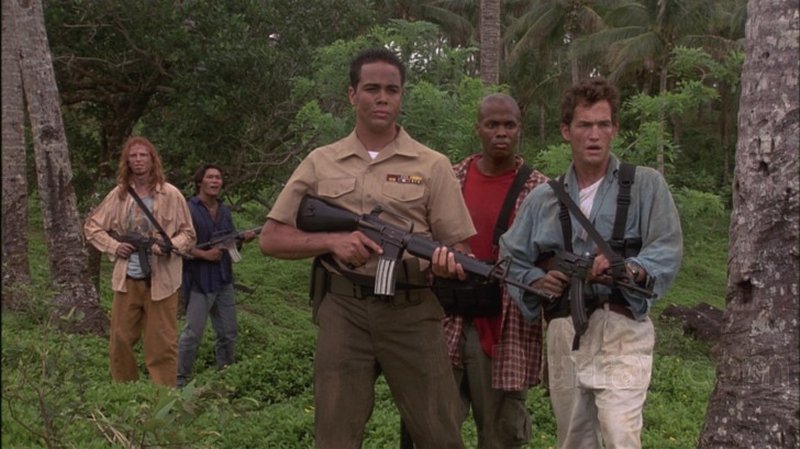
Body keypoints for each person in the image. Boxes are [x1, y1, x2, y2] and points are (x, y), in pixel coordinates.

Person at [259, 47, 475, 449]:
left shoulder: (432, 165)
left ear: (402, 96)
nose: (382, 98)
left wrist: (448, 263)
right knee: (335, 435)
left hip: (412, 309)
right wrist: (331, 241)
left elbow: (457, 245)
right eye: (372, 88)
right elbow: (271, 238)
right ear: (352, 94)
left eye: (392, 90)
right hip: (344, 309)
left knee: (440, 433)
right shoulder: (321, 162)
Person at [499, 78, 683, 448]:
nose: (594, 135)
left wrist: (629, 269)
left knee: (619, 434)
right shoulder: (543, 198)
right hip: (564, 329)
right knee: (574, 438)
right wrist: (537, 281)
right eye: (584, 125)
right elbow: (509, 257)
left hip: (622, 327)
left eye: (603, 124)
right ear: (566, 131)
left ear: (615, 128)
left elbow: (666, 246)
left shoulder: (646, 185)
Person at [401, 93, 550, 449]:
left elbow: (548, 255)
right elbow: (420, 238)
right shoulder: (450, 178)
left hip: (505, 325)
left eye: (509, 125)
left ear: (520, 129)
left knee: (500, 434)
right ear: (478, 128)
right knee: (431, 427)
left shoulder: (540, 190)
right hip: (446, 318)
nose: (501, 132)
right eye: (492, 124)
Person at [85, 136, 196, 387]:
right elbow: (92, 226)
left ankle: (163, 398)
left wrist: (168, 246)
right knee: (119, 341)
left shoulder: (171, 194)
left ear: (152, 159)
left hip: (162, 282)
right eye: (133, 156)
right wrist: (114, 246)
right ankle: (125, 393)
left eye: (143, 155)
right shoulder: (119, 195)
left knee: (162, 345)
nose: (138, 160)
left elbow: (188, 234)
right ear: (127, 162)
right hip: (127, 279)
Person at [176, 164, 257, 388]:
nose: (215, 181)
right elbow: (178, 244)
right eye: (210, 177)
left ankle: (225, 378)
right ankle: (179, 380)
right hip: (198, 281)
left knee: (229, 332)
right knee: (192, 333)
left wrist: (243, 240)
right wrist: (204, 254)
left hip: (223, 279)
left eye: (218, 178)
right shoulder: (188, 209)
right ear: (199, 182)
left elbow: (230, 241)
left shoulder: (224, 211)